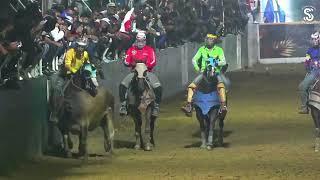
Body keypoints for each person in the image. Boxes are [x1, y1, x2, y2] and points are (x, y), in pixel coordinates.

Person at [181, 33, 230, 116]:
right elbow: (194, 60)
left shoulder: (219, 50)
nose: (209, 40)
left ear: (214, 41)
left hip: (216, 72)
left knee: (221, 86)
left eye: (211, 39)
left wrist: (215, 62)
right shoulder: (201, 49)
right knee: (191, 86)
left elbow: (223, 61)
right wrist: (198, 69)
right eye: (208, 39)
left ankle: (223, 106)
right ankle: (189, 106)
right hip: (204, 72)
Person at [119, 32, 162, 117]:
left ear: (145, 41)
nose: (141, 43)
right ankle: (123, 105)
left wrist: (147, 65)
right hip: (134, 72)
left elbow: (153, 61)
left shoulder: (149, 50)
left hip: (147, 72)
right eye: (139, 41)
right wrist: (132, 63)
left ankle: (156, 106)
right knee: (122, 85)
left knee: (158, 86)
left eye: (142, 41)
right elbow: (126, 61)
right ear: (136, 41)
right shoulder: (131, 50)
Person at [298, 32, 320, 114]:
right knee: (302, 87)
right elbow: (307, 60)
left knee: (302, 86)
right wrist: (307, 65)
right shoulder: (309, 50)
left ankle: (305, 107)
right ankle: (305, 107)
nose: (314, 41)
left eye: (315, 39)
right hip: (312, 71)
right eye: (313, 39)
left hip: (317, 72)